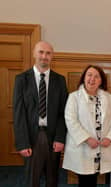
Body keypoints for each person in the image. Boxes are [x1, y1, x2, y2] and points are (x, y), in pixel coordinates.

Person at [13, 41, 68, 187]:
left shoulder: (60, 80)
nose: (44, 56)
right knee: (32, 180)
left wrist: (60, 138)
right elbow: (18, 114)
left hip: (53, 137)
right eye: (41, 52)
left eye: (48, 53)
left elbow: (63, 113)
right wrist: (22, 143)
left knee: (52, 179)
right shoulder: (21, 80)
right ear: (34, 54)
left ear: (52, 56)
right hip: (31, 137)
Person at [62, 65, 111, 187]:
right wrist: (87, 139)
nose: (92, 79)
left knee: (93, 178)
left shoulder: (109, 98)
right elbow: (71, 120)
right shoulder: (74, 97)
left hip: (102, 148)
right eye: (89, 75)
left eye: (96, 76)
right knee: (85, 180)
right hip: (83, 147)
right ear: (84, 78)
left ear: (101, 81)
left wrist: (110, 137)